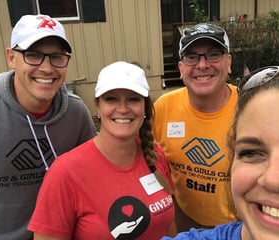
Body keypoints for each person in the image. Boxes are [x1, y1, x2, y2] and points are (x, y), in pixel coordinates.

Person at [162, 59, 279, 239]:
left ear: (229, 62)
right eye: (252, 152)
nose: (274, 179)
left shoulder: (234, 104)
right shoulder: (163, 107)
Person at [28, 61, 175, 239]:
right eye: (111, 99)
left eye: (133, 99)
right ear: (97, 105)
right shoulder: (65, 173)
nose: (122, 109)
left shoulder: (155, 153)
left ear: (145, 107)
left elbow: (168, 225)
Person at [0, 14, 96, 240]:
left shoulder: (76, 113)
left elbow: (94, 174)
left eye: (57, 57)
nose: (46, 68)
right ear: (11, 57)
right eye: (33, 55)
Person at [153, 23, 238, 231]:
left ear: (228, 62)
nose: (202, 65)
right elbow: (145, 159)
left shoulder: (248, 106)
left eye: (213, 55)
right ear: (181, 68)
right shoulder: (164, 107)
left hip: (238, 228)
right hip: (184, 224)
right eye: (192, 57)